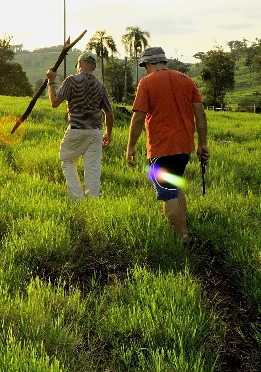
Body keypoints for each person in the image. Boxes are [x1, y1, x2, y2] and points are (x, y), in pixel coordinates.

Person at [125, 46, 209, 242]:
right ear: (163, 61)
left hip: (161, 147)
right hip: (184, 147)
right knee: (175, 185)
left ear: (149, 63)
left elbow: (138, 118)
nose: (145, 69)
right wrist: (202, 143)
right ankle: (184, 228)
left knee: (166, 193)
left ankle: (181, 237)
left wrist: (130, 146)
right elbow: (200, 114)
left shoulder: (146, 83)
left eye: (145, 65)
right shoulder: (186, 80)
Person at [46, 52, 115, 201]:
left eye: (77, 64)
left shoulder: (71, 81)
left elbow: (54, 103)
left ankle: (77, 199)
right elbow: (109, 113)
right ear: (94, 67)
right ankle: (92, 202)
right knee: (92, 169)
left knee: (68, 161)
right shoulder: (100, 86)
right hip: (96, 132)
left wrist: (51, 81)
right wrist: (108, 133)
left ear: (80, 63)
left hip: (77, 130)